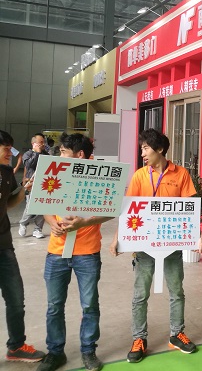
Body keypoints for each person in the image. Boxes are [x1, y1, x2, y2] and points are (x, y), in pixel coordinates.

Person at [109, 129, 200, 363]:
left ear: (159, 149)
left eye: (145, 148)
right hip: (144, 247)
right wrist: (118, 237)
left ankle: (177, 334)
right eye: (141, 149)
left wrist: (198, 236)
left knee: (177, 291)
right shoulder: (140, 176)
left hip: (171, 245)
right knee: (140, 295)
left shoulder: (181, 174)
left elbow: (190, 209)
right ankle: (139, 339)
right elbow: (130, 210)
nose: (142, 154)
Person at [39, 133, 112, 371]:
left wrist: (84, 223)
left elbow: (110, 211)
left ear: (80, 155)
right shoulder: (54, 172)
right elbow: (44, 205)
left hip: (87, 253)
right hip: (56, 251)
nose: (59, 155)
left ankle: (88, 351)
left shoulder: (100, 177)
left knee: (89, 305)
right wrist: (52, 223)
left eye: (63, 152)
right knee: (54, 305)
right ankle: (55, 352)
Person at [0, 130, 46, 364]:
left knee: (16, 298)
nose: (10, 152)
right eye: (6, 149)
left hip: (4, 246)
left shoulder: (7, 173)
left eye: (11, 148)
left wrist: (24, 190)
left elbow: (8, 203)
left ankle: (16, 346)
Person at [18, 133, 48, 239]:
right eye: (40, 142)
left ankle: (38, 229)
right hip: (31, 184)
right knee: (31, 206)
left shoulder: (46, 154)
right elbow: (29, 165)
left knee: (42, 206)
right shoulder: (28, 154)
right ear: (33, 144)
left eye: (43, 142)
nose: (43, 144)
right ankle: (23, 223)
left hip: (43, 184)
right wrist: (37, 153)